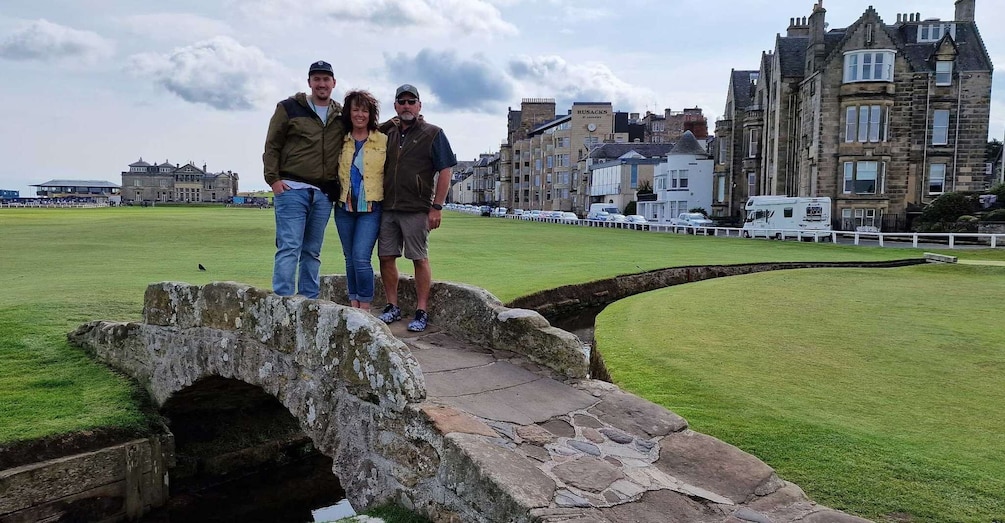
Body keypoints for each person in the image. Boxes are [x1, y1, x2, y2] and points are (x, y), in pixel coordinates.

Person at [377, 84, 457, 332]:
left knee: (419, 258)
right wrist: (388, 124)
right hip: (388, 206)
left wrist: (437, 207)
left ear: (420, 105)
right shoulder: (387, 133)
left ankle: (421, 311)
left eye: (412, 101)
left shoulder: (433, 133)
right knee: (386, 257)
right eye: (402, 102)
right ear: (395, 106)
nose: (407, 106)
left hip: (416, 208)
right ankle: (392, 306)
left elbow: (446, 169)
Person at [262, 60, 344, 299]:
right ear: (309, 82)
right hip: (291, 189)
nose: (321, 84)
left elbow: (364, 125)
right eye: (316, 79)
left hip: (323, 193)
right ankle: (283, 301)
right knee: (289, 247)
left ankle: (309, 301)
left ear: (333, 83)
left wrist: (394, 123)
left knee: (312, 251)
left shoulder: (339, 115)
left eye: (326, 79)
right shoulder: (288, 107)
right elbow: (272, 145)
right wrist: (273, 181)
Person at [333, 90, 386, 312]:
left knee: (361, 258)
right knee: (349, 259)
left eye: (365, 110)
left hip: (371, 207)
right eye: (356, 109)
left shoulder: (382, 139)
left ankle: (365, 306)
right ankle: (353, 303)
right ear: (349, 112)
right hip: (344, 207)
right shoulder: (341, 139)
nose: (360, 114)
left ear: (371, 114)